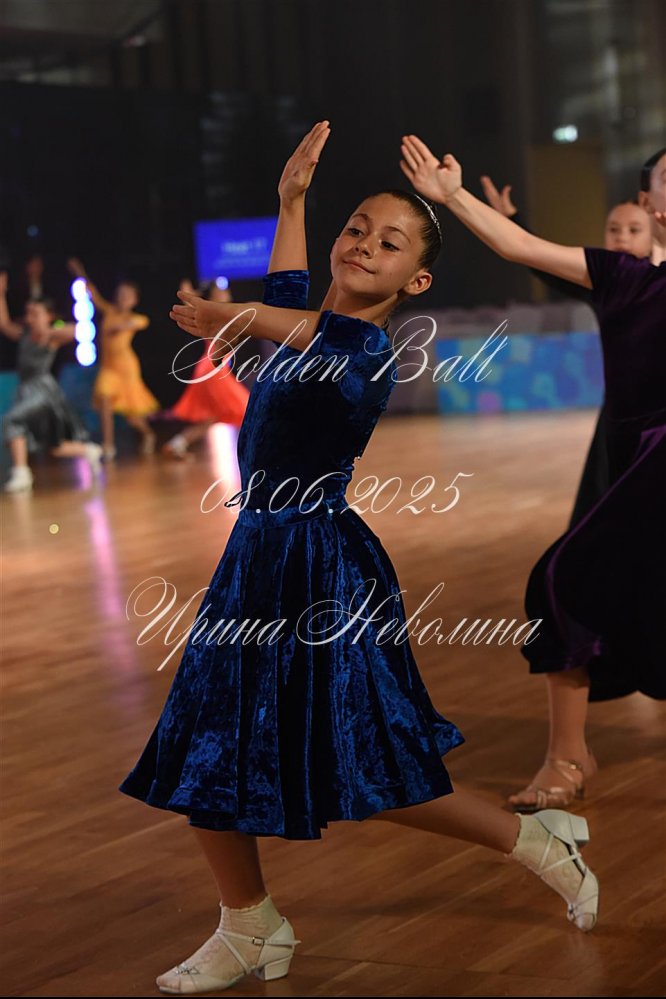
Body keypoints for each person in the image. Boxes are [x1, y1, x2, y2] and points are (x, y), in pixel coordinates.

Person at [118, 122, 598, 995]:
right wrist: (291, 202)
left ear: (417, 280)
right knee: (208, 746)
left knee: (373, 766)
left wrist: (231, 315)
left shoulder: (368, 351)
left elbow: (306, 327)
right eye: (356, 228)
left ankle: (533, 840)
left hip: (323, 572)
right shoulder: (303, 325)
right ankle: (247, 922)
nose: (364, 245)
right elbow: (289, 296)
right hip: (253, 558)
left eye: (389, 242)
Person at [400, 136, 666, 811]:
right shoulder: (625, 277)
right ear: (650, 202)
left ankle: (567, 755)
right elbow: (519, 248)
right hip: (639, 463)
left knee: (573, 580)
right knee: (572, 583)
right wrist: (454, 197)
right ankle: (568, 755)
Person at [480, 175, 652, 526]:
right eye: (613, 229)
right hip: (619, 418)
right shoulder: (606, 284)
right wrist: (511, 221)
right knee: (603, 515)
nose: (621, 237)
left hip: (656, 420)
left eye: (634, 230)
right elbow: (542, 261)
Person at [0, 271, 102, 492]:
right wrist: (0, 294)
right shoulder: (25, 334)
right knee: (54, 445)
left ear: (48, 315)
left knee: (12, 421)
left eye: (35, 313)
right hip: (26, 390)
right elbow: (5, 324)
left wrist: (52, 328)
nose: (30, 317)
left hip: (43, 392)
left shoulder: (51, 336)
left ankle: (21, 473)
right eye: (28, 312)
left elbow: (77, 330)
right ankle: (89, 450)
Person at [66, 258, 160, 460]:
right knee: (104, 400)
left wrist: (122, 326)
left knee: (131, 415)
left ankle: (148, 434)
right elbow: (93, 294)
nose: (123, 298)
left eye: (128, 296)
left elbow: (138, 323)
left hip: (126, 368)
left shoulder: (136, 318)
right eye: (121, 294)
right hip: (108, 367)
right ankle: (108, 445)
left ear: (134, 300)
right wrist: (80, 272)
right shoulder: (109, 311)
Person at [161, 279, 250, 461]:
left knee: (212, 417)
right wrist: (188, 297)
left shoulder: (228, 313)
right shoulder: (213, 314)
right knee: (248, 408)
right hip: (213, 370)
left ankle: (176, 444)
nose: (225, 293)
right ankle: (258, 450)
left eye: (225, 291)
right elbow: (192, 312)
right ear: (212, 296)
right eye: (220, 291)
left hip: (212, 369)